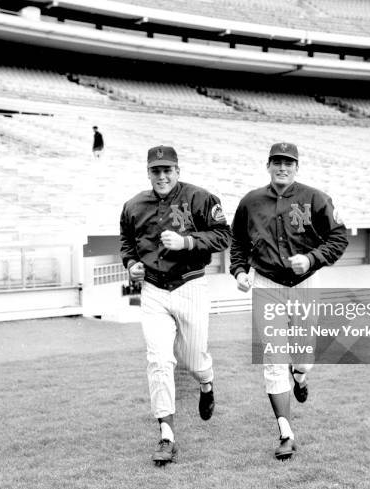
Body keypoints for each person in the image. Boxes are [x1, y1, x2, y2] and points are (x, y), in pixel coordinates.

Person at [230, 142, 348, 460]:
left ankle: (301, 374)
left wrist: (311, 259)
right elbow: (238, 242)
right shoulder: (250, 202)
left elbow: (339, 237)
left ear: (297, 167)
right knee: (273, 359)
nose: (283, 167)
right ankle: (285, 431)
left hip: (305, 281)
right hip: (267, 283)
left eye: (289, 163)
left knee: (303, 354)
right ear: (267, 165)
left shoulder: (315, 198)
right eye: (277, 162)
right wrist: (239, 271)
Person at [120, 145, 231, 466]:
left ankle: (207, 383)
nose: (162, 175)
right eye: (156, 170)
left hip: (191, 284)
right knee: (159, 360)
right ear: (148, 172)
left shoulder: (200, 198)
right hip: (154, 289)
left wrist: (187, 242)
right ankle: (166, 435)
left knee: (194, 361)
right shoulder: (133, 205)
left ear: (178, 171)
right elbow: (127, 242)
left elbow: (224, 236)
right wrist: (130, 263)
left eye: (168, 170)